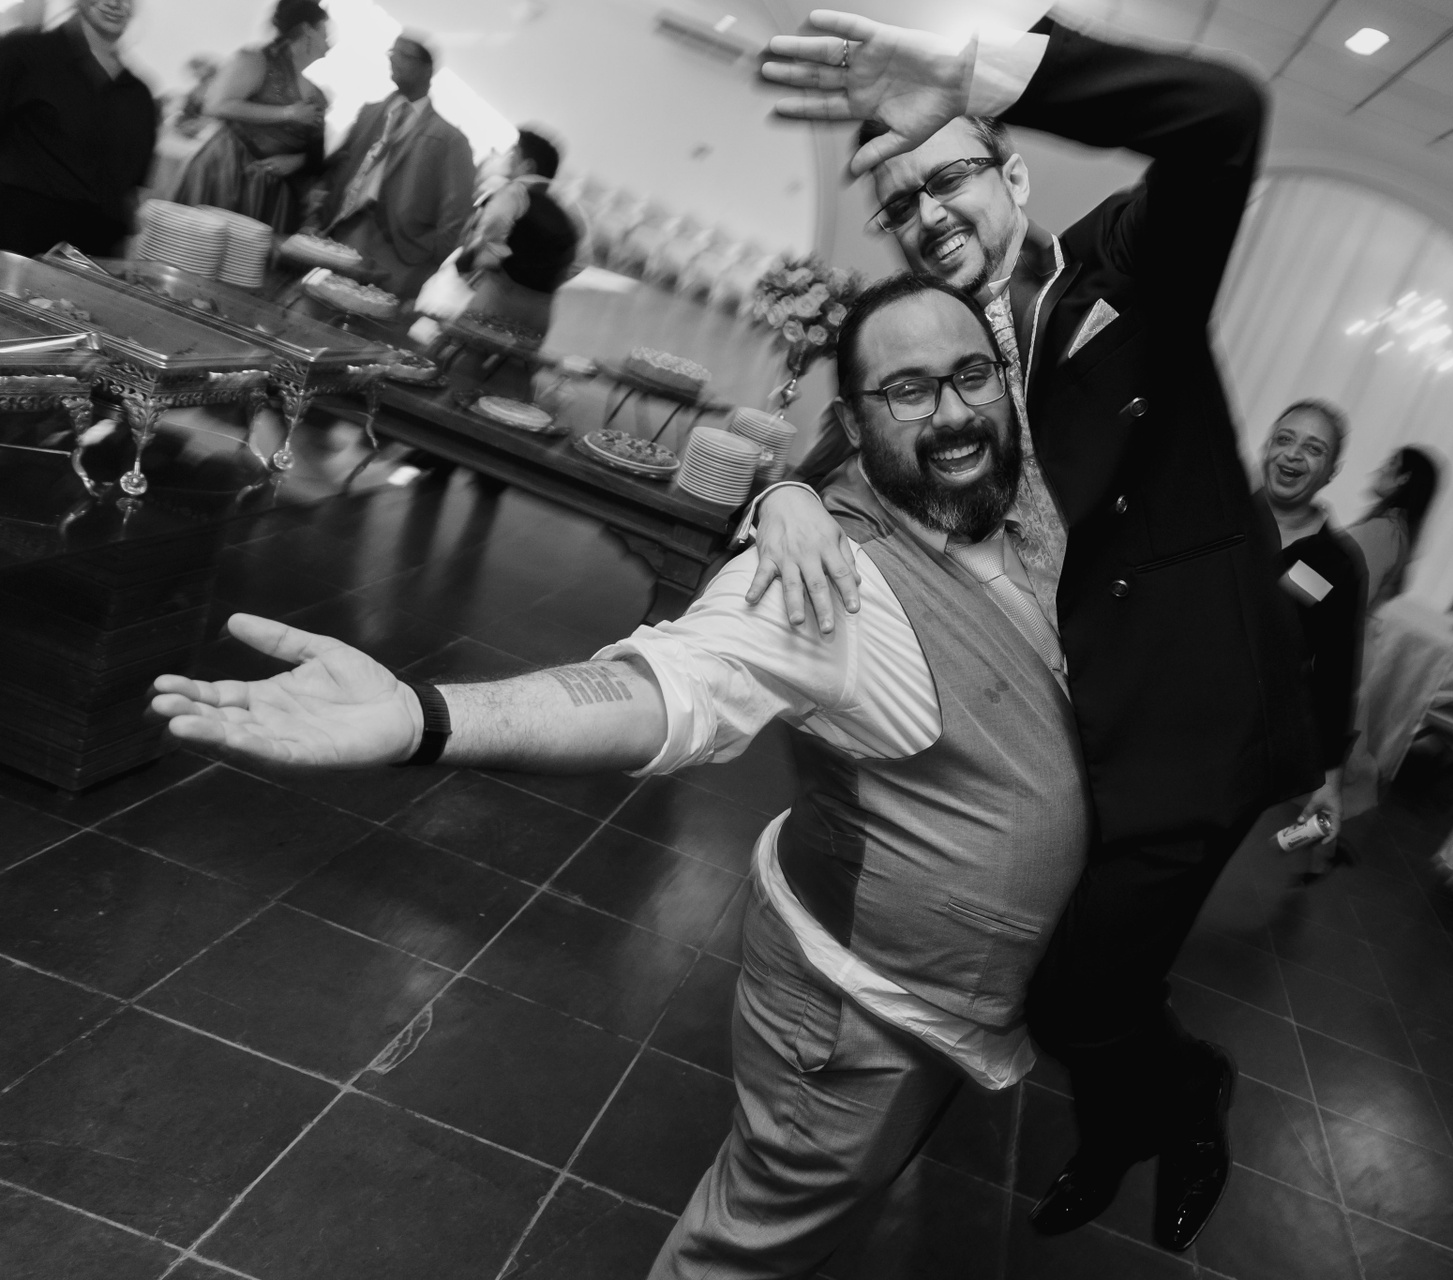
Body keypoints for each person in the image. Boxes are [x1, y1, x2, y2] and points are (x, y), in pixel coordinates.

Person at [150, 274, 1093, 1280]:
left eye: (971, 376)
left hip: (935, 988)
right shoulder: (826, 586)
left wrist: (785, 488)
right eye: (908, 389)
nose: (953, 412)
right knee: (746, 1251)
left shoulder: (1033, 513)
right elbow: (667, 687)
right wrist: (427, 718)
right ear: (855, 424)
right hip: (858, 1001)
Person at [753, 9, 1323, 1250]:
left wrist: (990, 70)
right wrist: (786, 493)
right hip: (1054, 739)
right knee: (1062, 979)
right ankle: (1119, 1126)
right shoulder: (932, 352)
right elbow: (830, 454)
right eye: (901, 205)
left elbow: (1223, 120)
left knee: (1079, 994)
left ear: (1011, 176)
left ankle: (1187, 1095)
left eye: (949, 177)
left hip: (1186, 718)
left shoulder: (1125, 267)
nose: (929, 215)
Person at [1259, 400, 1367, 877]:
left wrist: (1330, 778)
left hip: (1247, 747)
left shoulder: (1336, 564)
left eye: (1313, 448)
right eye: (1284, 439)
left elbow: (1336, 674)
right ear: (1266, 448)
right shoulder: (1219, 518)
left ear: (1331, 472)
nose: (1293, 455)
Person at [312, 31, 474, 300]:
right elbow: (339, 166)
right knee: (317, 301)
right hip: (342, 231)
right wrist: (319, 215)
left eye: (403, 55)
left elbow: (455, 214)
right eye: (392, 53)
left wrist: (428, 263)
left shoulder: (450, 140)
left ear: (427, 70)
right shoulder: (370, 113)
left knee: (366, 319)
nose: (394, 60)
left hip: (401, 256)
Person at [0, 0, 157, 257]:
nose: (114, 3)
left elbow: (130, 192)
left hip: (94, 258)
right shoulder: (23, 53)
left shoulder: (139, 95)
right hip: (17, 246)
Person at [171, 0, 330, 234]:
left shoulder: (318, 95)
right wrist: (287, 113)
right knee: (202, 243)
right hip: (228, 171)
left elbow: (317, 152)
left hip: (272, 190)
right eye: (325, 30)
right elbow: (216, 105)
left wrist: (298, 161)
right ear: (307, 30)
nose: (330, 40)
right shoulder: (256, 60)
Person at [454, 126, 578, 334]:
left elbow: (491, 234)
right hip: (542, 310)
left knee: (464, 349)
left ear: (527, 166)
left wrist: (470, 263)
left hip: (499, 299)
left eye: (513, 154)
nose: (507, 158)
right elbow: (580, 263)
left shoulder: (513, 193)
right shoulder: (570, 212)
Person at [1345, 444, 1441, 610]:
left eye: (1390, 463)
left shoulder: (1384, 532)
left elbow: (1350, 598)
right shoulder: (1394, 532)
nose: (1379, 470)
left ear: (1404, 478)